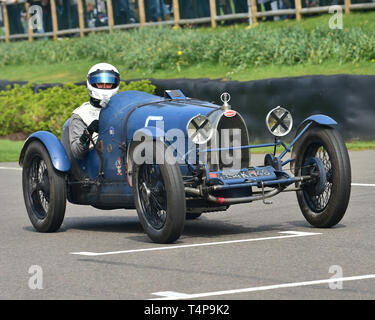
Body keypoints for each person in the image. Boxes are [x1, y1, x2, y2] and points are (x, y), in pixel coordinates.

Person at [69, 63, 120, 159]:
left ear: (114, 84)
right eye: (100, 83)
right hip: (95, 160)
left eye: (108, 84)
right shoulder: (80, 114)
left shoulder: (122, 108)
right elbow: (77, 153)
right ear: (92, 84)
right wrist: (89, 131)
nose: (104, 86)